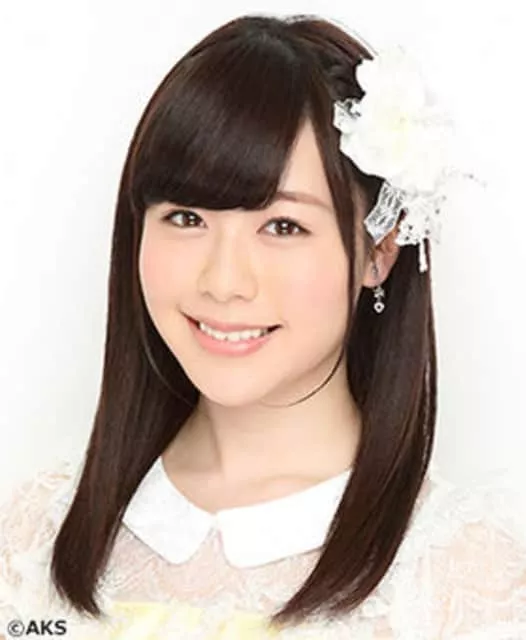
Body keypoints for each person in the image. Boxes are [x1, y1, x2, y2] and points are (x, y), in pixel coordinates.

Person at [1, 13, 525, 640]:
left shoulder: (460, 577)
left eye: (283, 226)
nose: (224, 282)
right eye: (187, 218)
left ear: (379, 250)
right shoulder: (35, 537)